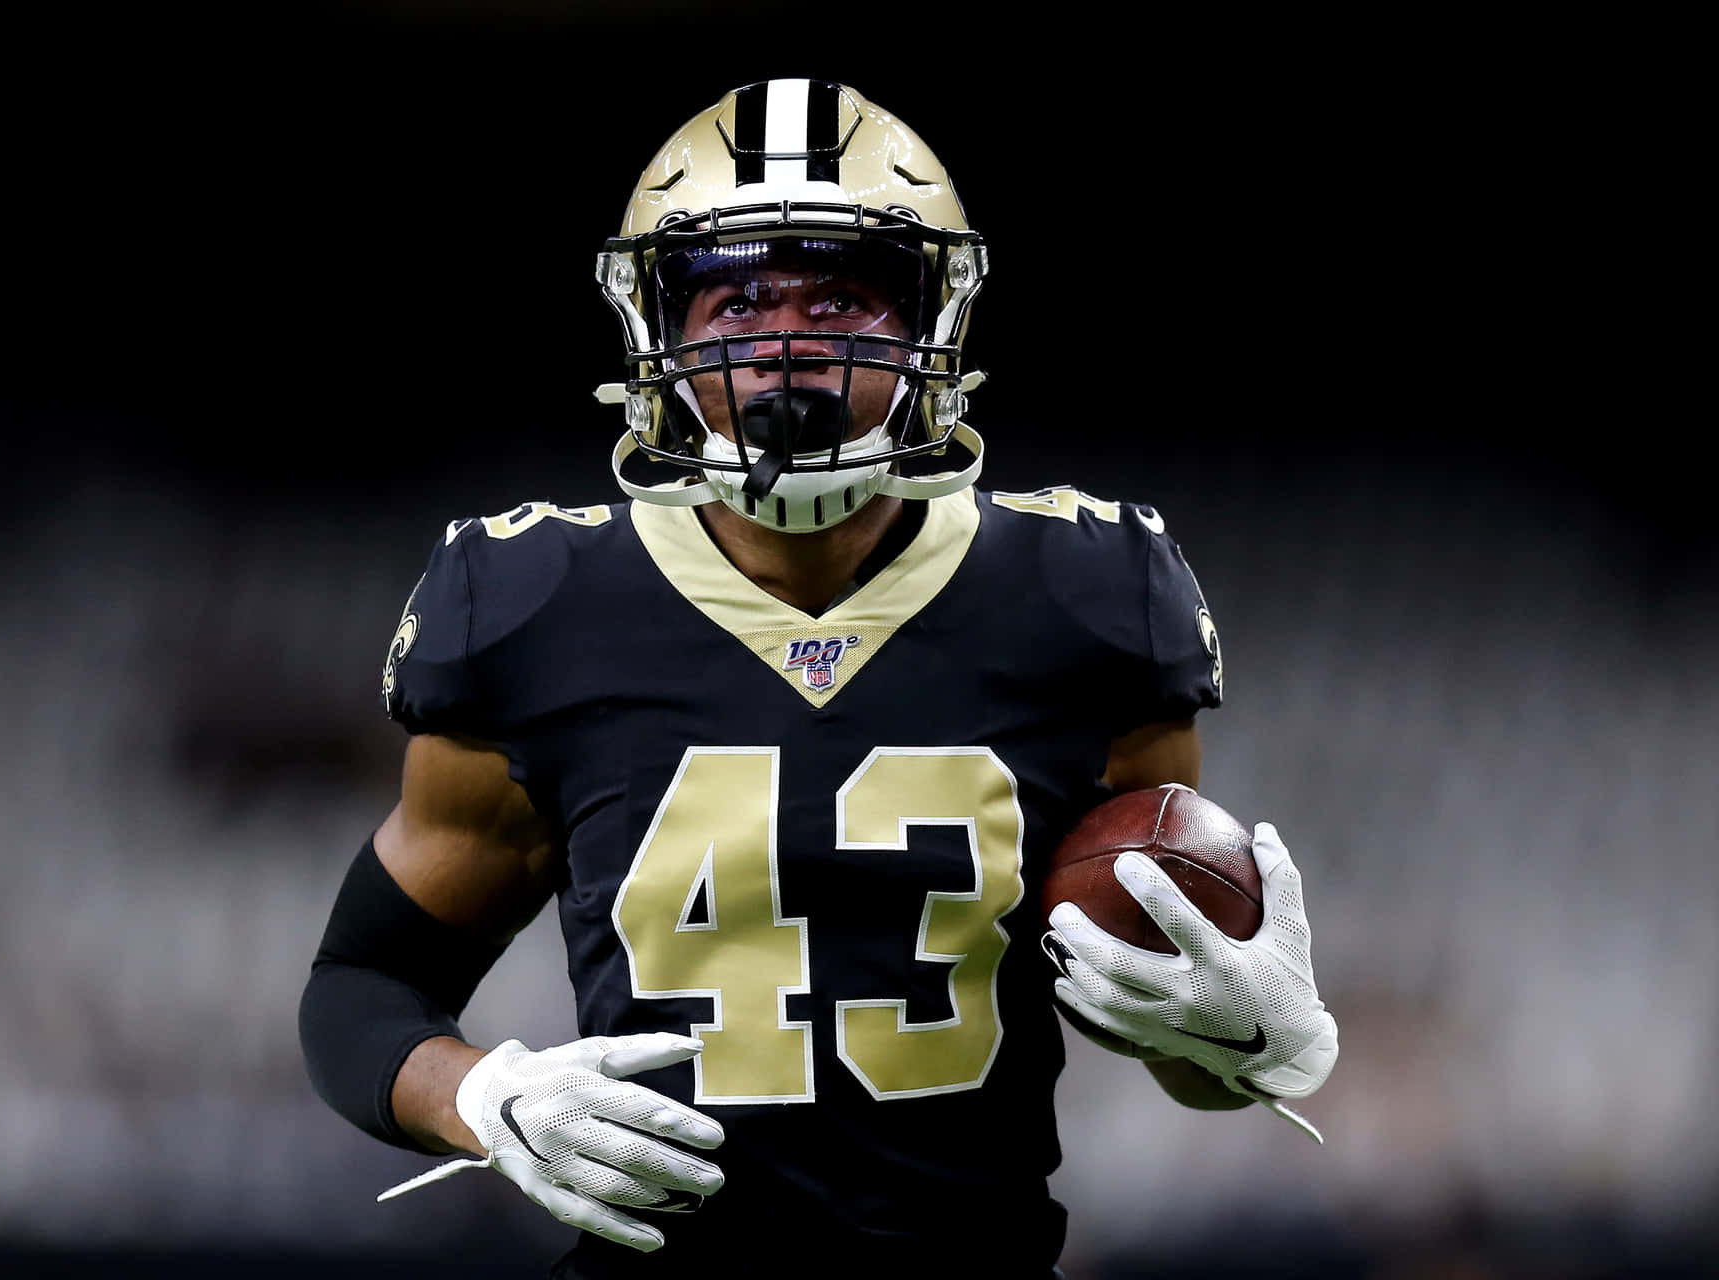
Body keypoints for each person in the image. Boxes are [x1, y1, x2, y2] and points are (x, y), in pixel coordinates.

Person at [298, 79, 1338, 1278]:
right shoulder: (531, 605)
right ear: (662, 335)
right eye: (738, 296)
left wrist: (1239, 1039)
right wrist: (482, 1096)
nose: (788, 341)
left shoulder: (1087, 599)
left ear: (929, 327)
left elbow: (1167, 1040)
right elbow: (363, 984)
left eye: (841, 293)